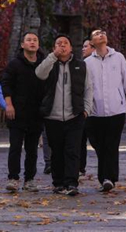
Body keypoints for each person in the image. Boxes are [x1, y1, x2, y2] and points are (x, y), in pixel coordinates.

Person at [36, 34, 93, 196]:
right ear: (54, 47)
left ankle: (71, 183)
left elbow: (89, 89)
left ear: (70, 47)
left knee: (73, 150)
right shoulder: (49, 63)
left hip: (75, 115)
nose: (62, 46)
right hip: (52, 116)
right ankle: (58, 182)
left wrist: (86, 109)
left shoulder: (81, 66)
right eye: (58, 43)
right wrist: (52, 56)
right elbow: (39, 74)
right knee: (57, 151)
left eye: (65, 43)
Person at [85, 28, 126, 193]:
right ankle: (108, 176)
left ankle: (107, 178)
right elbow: (85, 88)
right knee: (98, 144)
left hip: (116, 109)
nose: (101, 35)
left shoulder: (119, 58)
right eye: (96, 34)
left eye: (103, 33)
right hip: (94, 112)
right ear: (92, 42)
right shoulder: (87, 63)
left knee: (112, 144)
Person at [1, 32, 46, 193]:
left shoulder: (43, 64)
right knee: (15, 147)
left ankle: (30, 179)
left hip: (36, 113)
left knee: (32, 149)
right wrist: (8, 104)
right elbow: (6, 84)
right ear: (23, 44)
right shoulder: (15, 64)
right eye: (29, 40)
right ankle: (13, 178)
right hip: (17, 111)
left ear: (38, 45)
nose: (32, 42)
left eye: (35, 40)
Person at [79, 38, 94, 175]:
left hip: (97, 108)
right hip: (84, 108)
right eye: (82, 46)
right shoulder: (81, 65)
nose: (83, 49)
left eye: (86, 46)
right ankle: (80, 167)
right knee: (80, 139)